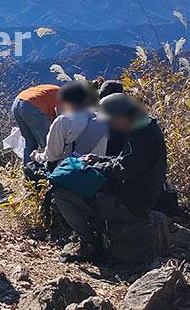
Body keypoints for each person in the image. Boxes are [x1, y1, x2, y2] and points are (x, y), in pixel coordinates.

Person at [52, 93, 169, 262]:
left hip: (131, 203)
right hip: (136, 194)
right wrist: (99, 159)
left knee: (62, 193)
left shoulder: (142, 134)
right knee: (80, 185)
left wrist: (94, 166)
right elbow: (126, 161)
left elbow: (125, 170)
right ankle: (96, 236)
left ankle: (92, 244)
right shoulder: (144, 127)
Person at [34, 81, 107, 167]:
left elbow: (52, 156)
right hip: (99, 170)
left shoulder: (63, 120)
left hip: (73, 171)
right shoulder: (101, 118)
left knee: (31, 166)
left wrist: (37, 156)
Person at [11, 83, 60, 165]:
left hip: (17, 102)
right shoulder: (66, 99)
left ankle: (29, 170)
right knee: (48, 143)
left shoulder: (56, 90)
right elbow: (62, 121)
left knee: (30, 142)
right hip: (32, 106)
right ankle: (51, 171)